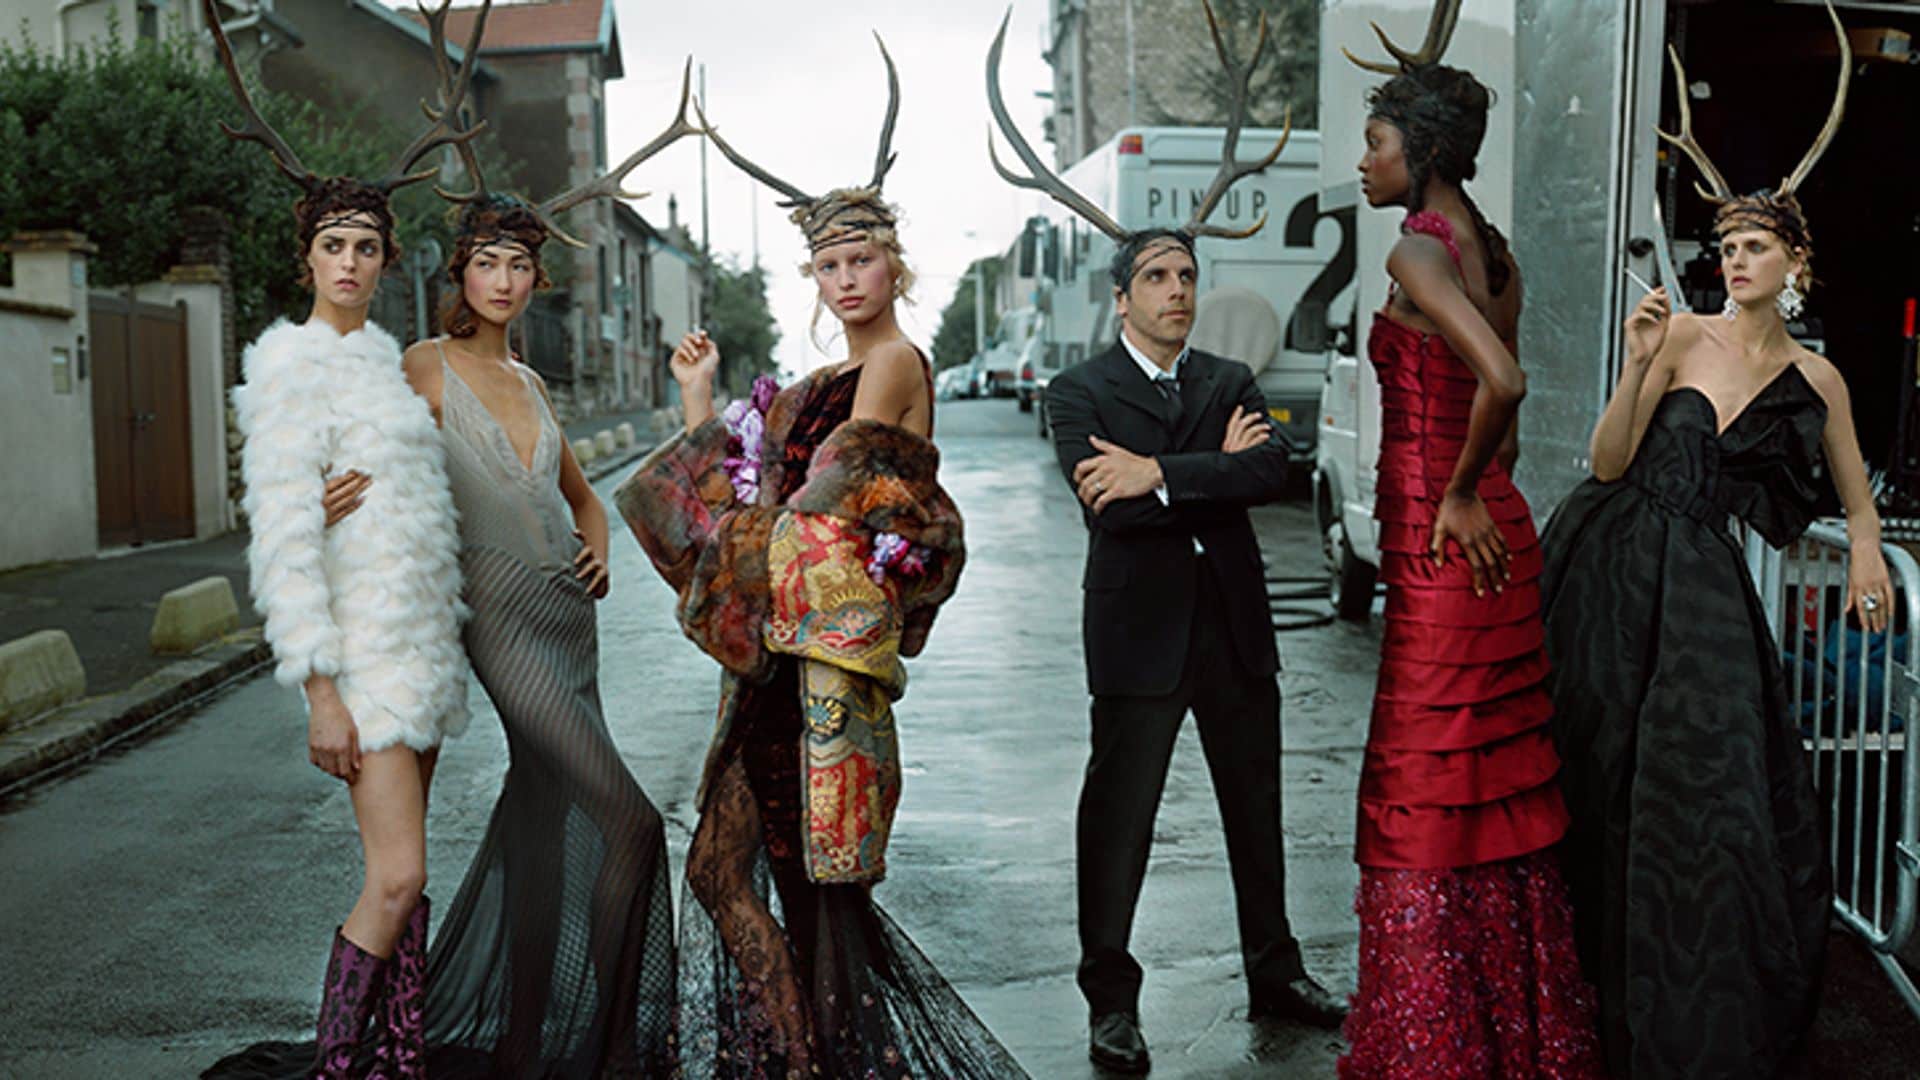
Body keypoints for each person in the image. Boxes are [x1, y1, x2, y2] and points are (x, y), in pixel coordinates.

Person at [613, 38, 1027, 1079]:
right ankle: (799, 1054)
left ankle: (835, 1060)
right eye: (830, 267)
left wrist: (751, 531)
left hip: (825, 667)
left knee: (815, 885)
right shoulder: (806, 385)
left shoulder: (894, 362)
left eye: (862, 261)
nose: (847, 280)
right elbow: (749, 498)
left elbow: (817, 513)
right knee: (720, 870)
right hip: (774, 663)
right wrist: (700, 402)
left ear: (895, 266)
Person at [306, 27, 700, 1077]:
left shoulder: (530, 382)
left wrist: (599, 547)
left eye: (521, 266)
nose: (505, 279)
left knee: (542, 827)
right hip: (502, 627)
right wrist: (319, 496)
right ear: (461, 273)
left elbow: (582, 497)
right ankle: (609, 1045)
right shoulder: (423, 364)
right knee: (628, 822)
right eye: (488, 261)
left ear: (534, 283)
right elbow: (349, 452)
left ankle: (528, 1043)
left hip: (570, 626)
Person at [987, 8, 1344, 1073]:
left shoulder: (1230, 377)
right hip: (1138, 635)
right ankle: (1111, 1001)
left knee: (1256, 810)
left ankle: (1275, 971)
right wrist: (1193, 477)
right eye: (1157, 278)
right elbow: (1109, 506)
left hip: (1235, 628)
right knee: (1120, 819)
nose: (1179, 292)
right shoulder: (1077, 390)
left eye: (1187, 277)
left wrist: (1160, 473)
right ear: (1121, 297)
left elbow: (1271, 472)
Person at [1541, 6, 1889, 1074]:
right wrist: (1641, 360)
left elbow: (1855, 495)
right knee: (1602, 772)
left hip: (1703, 585)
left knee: (1719, 783)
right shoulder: (1681, 332)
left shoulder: (1819, 377)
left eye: (1755, 246)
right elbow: (1606, 461)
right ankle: (1590, 994)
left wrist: (1867, 556)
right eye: (1727, 245)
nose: (1735, 259)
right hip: (1612, 564)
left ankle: (1696, 1008)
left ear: (1796, 260)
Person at [198, 2, 484, 1076]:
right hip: (361, 664)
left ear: (385, 258)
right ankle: (337, 1066)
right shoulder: (290, 368)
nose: (351, 262)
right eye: (333, 246)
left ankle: (394, 1059)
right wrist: (319, 690)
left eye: (366, 246)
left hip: (418, 651)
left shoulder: (382, 364)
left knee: (410, 876)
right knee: (395, 877)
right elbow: (282, 542)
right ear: (307, 259)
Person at [1336, 5, 1606, 1076]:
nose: (1364, 161)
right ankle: (1507, 1031)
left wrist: (1451, 496)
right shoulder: (1494, 253)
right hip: (1495, 537)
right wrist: (1479, 489)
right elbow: (1509, 418)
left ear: (1425, 152)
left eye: (1376, 143)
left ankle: (1435, 1043)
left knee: (1420, 785)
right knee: (1488, 789)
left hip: (1448, 546)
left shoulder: (1417, 251)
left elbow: (1504, 379)